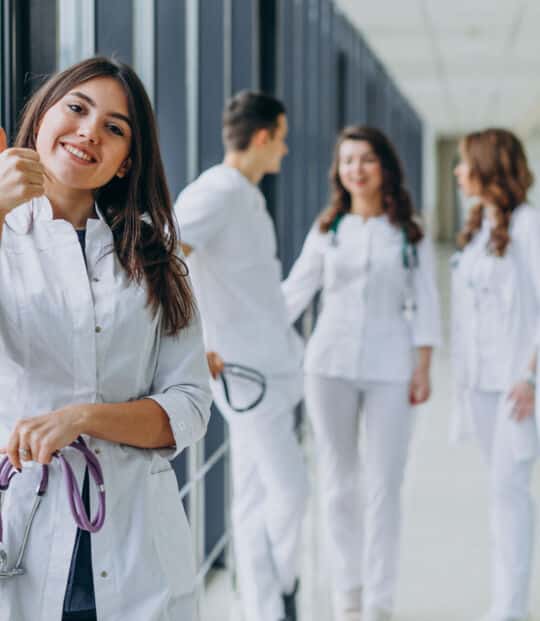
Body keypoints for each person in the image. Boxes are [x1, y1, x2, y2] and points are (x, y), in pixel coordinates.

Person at [0, 57, 212, 621]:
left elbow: (189, 406)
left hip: (136, 545)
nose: (90, 131)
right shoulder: (3, 237)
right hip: (20, 538)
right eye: (77, 108)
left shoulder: (155, 258)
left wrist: (83, 418)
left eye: (115, 128)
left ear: (125, 164)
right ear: (42, 117)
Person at [282, 126, 441, 621]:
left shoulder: (408, 230)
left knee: (383, 486)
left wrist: (423, 367)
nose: (356, 169)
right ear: (339, 171)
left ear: (384, 167)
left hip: (392, 367)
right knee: (337, 482)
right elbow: (295, 292)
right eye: (348, 160)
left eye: (366, 159)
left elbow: (428, 304)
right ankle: (347, 593)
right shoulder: (329, 227)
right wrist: (243, 334)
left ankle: (379, 601)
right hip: (328, 365)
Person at [174, 91, 308, 621]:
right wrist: (192, 343)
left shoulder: (247, 195)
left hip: (269, 366)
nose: (286, 150)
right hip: (244, 374)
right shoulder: (217, 192)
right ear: (262, 137)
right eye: (283, 138)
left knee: (254, 499)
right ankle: (282, 590)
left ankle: (265, 608)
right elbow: (166, 256)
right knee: (291, 490)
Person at [452, 128, 539, 621]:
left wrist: (531, 376)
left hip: (516, 384)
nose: (458, 173)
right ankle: (506, 602)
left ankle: (508, 609)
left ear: (487, 168)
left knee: (510, 491)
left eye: (465, 164)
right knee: (500, 490)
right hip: (481, 384)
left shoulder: (528, 225)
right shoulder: (482, 224)